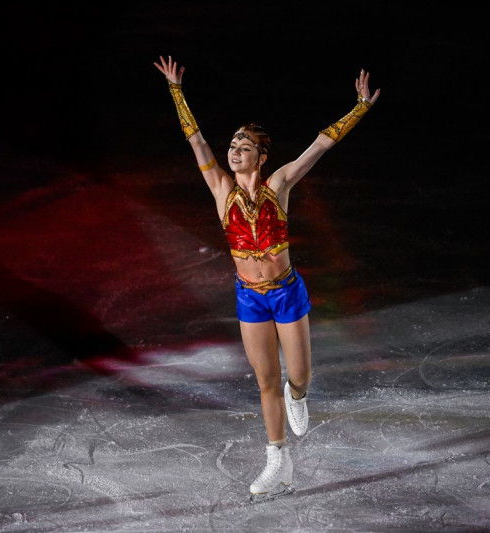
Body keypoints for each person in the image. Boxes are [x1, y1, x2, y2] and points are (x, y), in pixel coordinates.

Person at [153, 55, 380, 502]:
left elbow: (319, 146)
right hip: (250, 298)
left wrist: (360, 108)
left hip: (287, 293)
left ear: (261, 155)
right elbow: (195, 140)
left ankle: (300, 396)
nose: (234, 149)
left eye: (243, 145)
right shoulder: (221, 187)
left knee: (299, 376)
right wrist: (176, 89)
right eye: (233, 143)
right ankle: (277, 457)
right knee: (265, 381)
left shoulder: (278, 185)